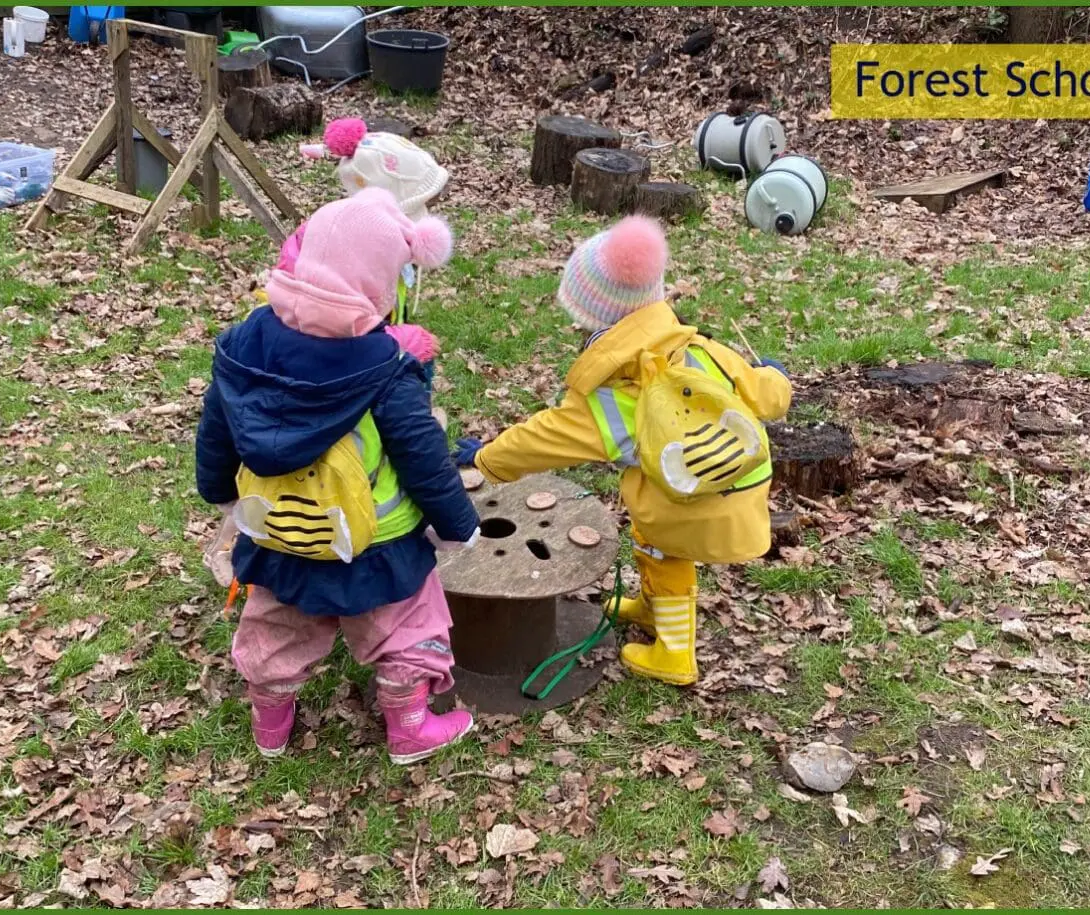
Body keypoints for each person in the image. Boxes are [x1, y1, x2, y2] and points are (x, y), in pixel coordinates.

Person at [195, 188, 479, 763]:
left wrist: (218, 488)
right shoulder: (385, 366)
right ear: (380, 282)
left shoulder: (243, 344)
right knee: (406, 623)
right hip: (378, 539)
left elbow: (217, 423)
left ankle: (271, 727)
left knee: (276, 625)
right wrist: (457, 522)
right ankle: (410, 726)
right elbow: (421, 452)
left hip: (279, 531)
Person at [453, 216, 793, 687]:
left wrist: (487, 459)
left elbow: (543, 438)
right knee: (653, 549)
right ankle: (653, 610)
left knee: (667, 555)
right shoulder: (702, 349)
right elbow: (766, 394)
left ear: (595, 317)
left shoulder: (612, 396)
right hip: (743, 485)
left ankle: (674, 654)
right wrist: (777, 375)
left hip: (684, 501)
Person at [276, 118, 449, 396]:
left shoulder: (365, 240)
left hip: (361, 356)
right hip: (326, 386)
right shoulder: (331, 253)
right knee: (417, 357)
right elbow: (329, 334)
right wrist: (399, 342)